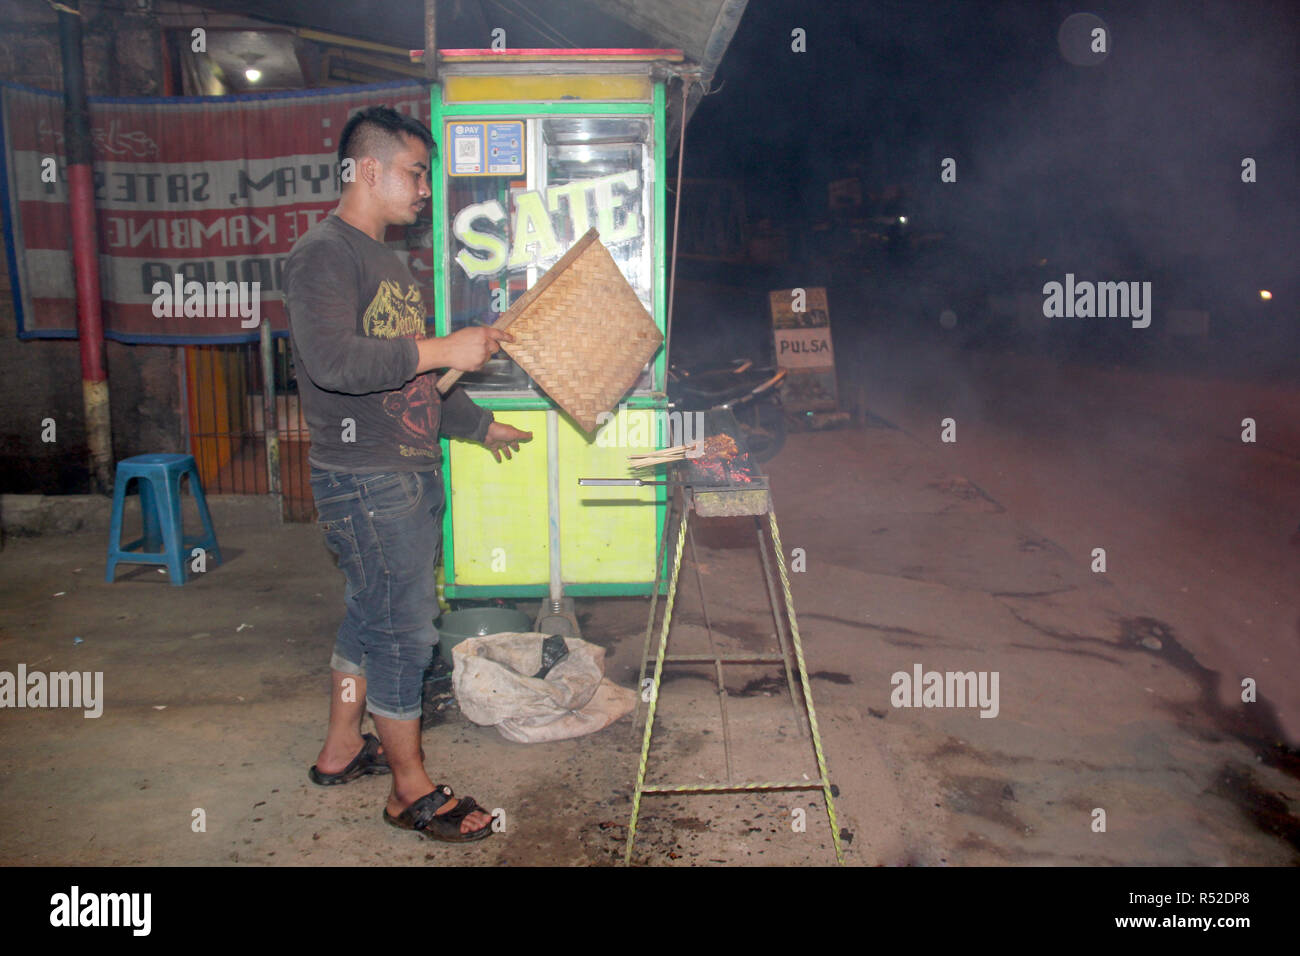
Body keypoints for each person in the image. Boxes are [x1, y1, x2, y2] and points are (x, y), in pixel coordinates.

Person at [284, 105, 532, 842]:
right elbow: (334, 362)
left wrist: (481, 425)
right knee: (405, 631)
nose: (425, 188)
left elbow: (413, 382)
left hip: (400, 471)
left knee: (372, 612)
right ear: (367, 170)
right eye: (416, 172)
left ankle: (340, 748)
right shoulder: (324, 255)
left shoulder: (389, 261)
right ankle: (408, 788)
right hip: (366, 479)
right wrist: (445, 348)